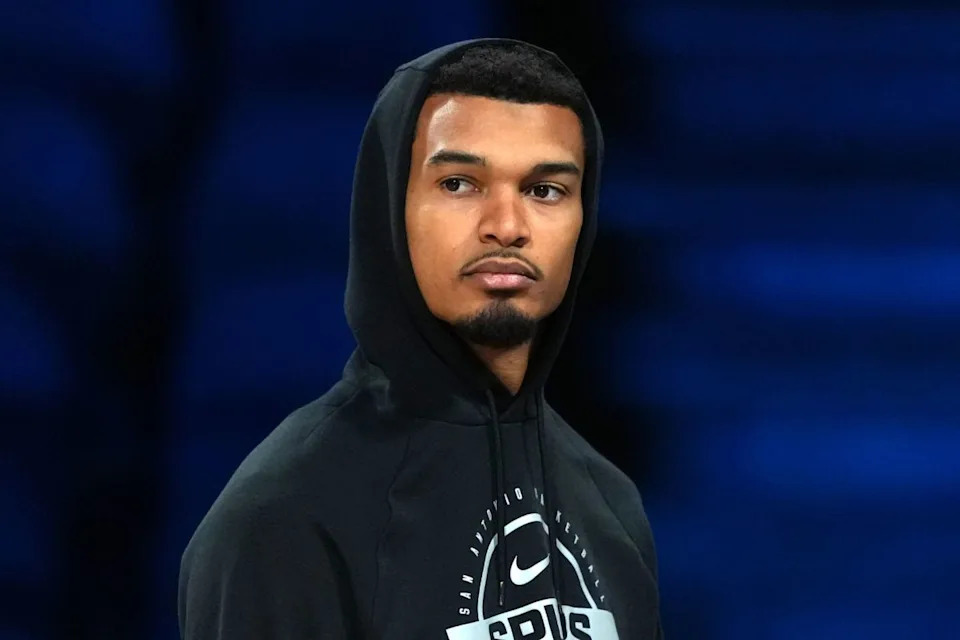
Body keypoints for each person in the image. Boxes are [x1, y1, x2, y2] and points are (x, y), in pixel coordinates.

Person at [178, 38, 663, 639]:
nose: (507, 227)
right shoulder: (287, 513)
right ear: (390, 208)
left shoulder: (610, 504)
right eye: (460, 183)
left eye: (545, 190)